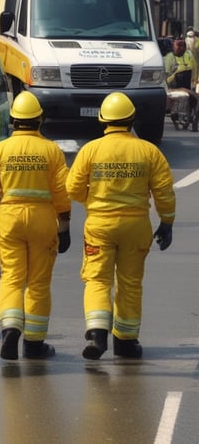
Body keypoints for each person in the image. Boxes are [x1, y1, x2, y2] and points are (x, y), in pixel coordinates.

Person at [66, 92, 176, 360]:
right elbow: (163, 192)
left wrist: (92, 200)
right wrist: (167, 222)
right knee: (130, 283)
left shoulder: (91, 150)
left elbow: (72, 188)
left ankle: (96, 333)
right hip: (136, 226)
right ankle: (126, 342)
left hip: (100, 226)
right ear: (131, 119)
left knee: (97, 280)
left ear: (103, 120)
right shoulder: (149, 151)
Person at [0, 91, 71, 360]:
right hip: (43, 220)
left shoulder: (0, 150)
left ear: (13, 121)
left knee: (12, 278)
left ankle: (10, 329)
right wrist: (64, 226)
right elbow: (62, 193)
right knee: (38, 284)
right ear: (39, 120)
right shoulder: (51, 150)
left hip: (10, 219)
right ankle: (34, 344)